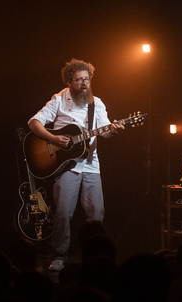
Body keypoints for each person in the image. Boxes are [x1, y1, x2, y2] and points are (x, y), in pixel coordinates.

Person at [28, 59, 124, 271]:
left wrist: (113, 129)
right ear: (69, 82)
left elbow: (104, 130)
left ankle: (95, 256)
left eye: (86, 79)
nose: (84, 83)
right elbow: (34, 122)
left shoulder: (96, 103)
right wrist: (52, 139)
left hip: (91, 163)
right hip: (66, 165)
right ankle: (59, 255)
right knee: (63, 212)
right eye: (79, 80)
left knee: (96, 212)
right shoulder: (59, 99)